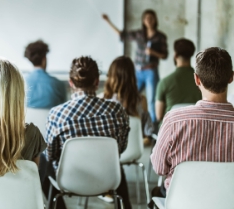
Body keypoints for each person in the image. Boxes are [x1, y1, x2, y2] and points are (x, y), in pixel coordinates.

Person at [44, 56, 131, 209]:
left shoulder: (57, 114)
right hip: (108, 179)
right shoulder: (117, 110)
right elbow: (121, 148)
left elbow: (51, 154)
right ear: (97, 81)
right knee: (117, 165)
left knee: (43, 162)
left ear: (71, 83)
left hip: (69, 180)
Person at [150, 47, 234, 204]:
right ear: (231, 77)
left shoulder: (174, 120)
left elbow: (159, 168)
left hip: (182, 203)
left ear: (196, 79)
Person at [102, 9, 168, 125]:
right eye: (146, 18)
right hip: (137, 71)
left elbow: (165, 55)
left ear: (155, 20)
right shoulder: (139, 34)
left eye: (151, 18)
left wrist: (153, 52)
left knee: (152, 100)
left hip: (151, 71)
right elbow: (121, 34)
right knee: (128, 96)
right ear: (143, 20)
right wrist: (108, 21)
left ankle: (152, 129)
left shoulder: (160, 37)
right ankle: (127, 122)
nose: (149, 20)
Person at [101, 56, 153, 145]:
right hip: (136, 154)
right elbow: (148, 136)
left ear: (113, 77)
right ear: (132, 76)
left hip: (110, 153)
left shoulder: (102, 100)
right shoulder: (141, 100)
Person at [155, 38, 202, 121]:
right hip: (197, 130)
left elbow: (158, 116)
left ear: (175, 55)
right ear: (191, 55)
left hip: (170, 131)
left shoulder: (164, 83)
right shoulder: (202, 81)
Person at [24, 40, 66, 108]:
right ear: (44, 59)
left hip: (26, 118)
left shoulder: (21, 83)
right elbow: (64, 108)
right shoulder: (58, 84)